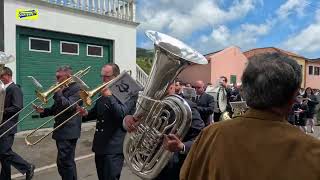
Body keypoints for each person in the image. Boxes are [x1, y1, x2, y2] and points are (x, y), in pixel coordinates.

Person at [180, 53, 320, 180]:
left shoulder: (210, 134)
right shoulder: (313, 151)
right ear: (293, 97)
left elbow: (186, 175)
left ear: (245, 91)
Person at [124, 81, 204, 180]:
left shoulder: (188, 107)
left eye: (160, 87)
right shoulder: (149, 105)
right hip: (149, 165)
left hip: (174, 169)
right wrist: (127, 120)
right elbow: (133, 121)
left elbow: (202, 139)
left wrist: (182, 146)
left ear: (171, 87)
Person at [77, 63, 137, 180]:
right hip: (100, 145)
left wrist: (110, 97)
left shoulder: (130, 92)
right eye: (102, 76)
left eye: (107, 77)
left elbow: (122, 114)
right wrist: (86, 114)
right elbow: (97, 112)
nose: (103, 80)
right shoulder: (103, 92)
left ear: (116, 77)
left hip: (114, 146)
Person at [34, 66, 81, 180]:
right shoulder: (63, 87)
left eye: (59, 77)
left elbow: (70, 107)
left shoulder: (77, 88)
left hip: (69, 130)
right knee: (65, 162)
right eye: (56, 77)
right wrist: (43, 111)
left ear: (68, 76)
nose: (56, 79)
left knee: (65, 163)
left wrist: (59, 93)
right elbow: (57, 108)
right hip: (61, 130)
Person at [0, 67, 35, 180]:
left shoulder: (15, 89)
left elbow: (17, 106)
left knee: (5, 151)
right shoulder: (4, 89)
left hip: (8, 125)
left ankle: (27, 166)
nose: (0, 78)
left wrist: (2, 111)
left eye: (1, 76)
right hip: (2, 125)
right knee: (2, 155)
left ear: (8, 75)